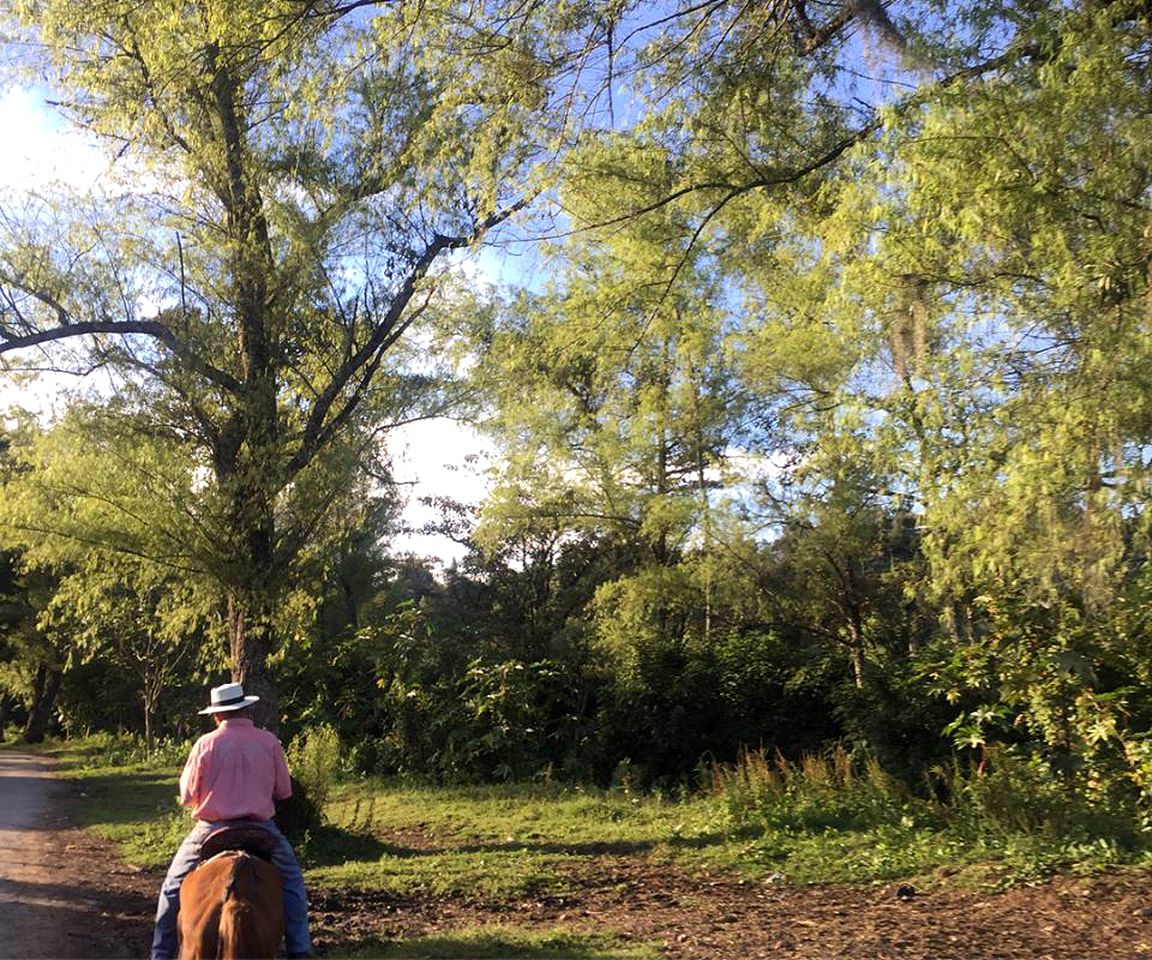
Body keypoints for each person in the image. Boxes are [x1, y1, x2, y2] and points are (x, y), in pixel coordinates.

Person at [150, 682, 312, 960]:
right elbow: (284, 792)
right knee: (292, 884)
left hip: (212, 829)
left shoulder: (205, 744)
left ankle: (160, 954)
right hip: (261, 829)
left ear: (216, 715)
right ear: (246, 709)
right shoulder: (269, 742)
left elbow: (188, 795)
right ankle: (300, 951)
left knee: (172, 888)